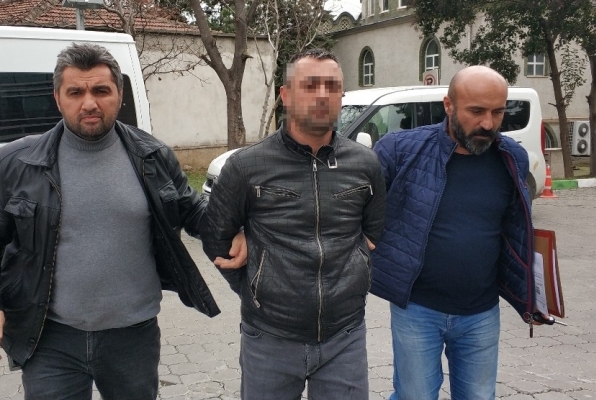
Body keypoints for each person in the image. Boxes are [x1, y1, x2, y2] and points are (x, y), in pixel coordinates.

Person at [0, 43, 245, 400]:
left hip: (133, 337)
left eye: (101, 90)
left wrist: (234, 228)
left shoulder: (152, 156)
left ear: (119, 96)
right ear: (57, 98)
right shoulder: (15, 163)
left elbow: (192, 210)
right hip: (50, 338)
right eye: (75, 92)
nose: (89, 103)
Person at [201, 48, 386, 400]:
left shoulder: (365, 164)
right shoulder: (246, 167)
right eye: (310, 85)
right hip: (269, 338)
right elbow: (215, 239)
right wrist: (257, 287)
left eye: (332, 86)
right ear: (285, 95)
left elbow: (373, 232)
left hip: (344, 336)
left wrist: (354, 269)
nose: (322, 95)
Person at [370, 65, 539, 400]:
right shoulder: (400, 151)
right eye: (476, 111)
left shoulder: (513, 158)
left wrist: (534, 294)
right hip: (416, 309)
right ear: (448, 105)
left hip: (482, 313)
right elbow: (354, 205)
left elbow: (515, 232)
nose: (488, 123)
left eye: (498, 112)